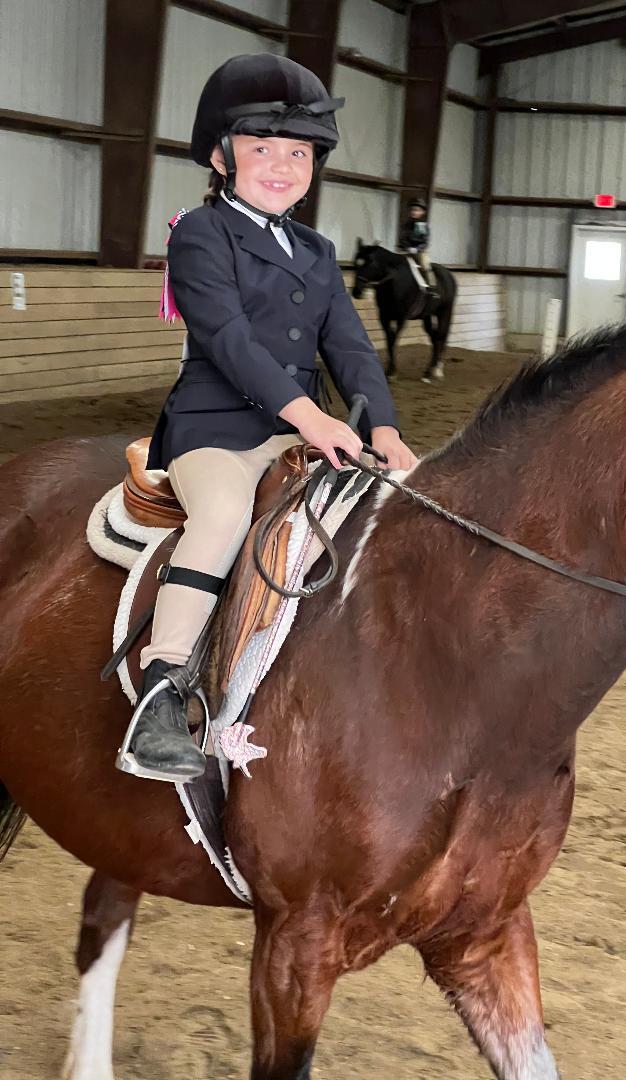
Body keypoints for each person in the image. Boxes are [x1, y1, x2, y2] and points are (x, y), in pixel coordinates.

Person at [122, 53, 417, 783]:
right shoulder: (199, 232)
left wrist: (383, 428)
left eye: (299, 152)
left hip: (300, 428)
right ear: (224, 158)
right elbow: (227, 339)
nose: (282, 166)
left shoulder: (316, 250)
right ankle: (161, 692)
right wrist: (311, 419)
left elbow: (348, 343)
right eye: (263, 149)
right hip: (216, 425)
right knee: (221, 520)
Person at [399, 197, 435, 291]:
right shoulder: (406, 225)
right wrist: (406, 247)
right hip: (406, 251)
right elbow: (402, 239)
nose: (414, 212)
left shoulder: (424, 226)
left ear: (422, 212)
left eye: (417, 210)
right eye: (412, 210)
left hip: (420, 252)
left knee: (425, 265)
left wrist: (417, 249)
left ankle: (432, 287)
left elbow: (425, 242)